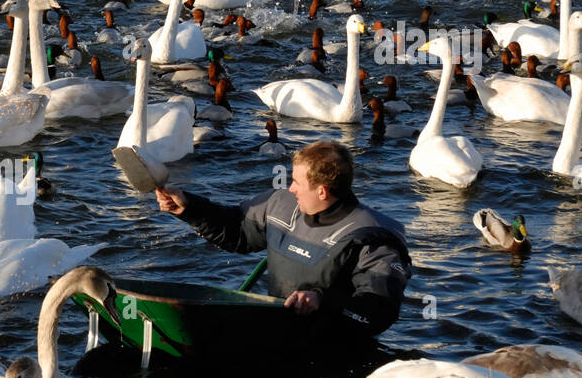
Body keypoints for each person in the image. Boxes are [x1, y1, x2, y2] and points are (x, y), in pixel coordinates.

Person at [156, 140, 410, 339]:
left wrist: (322, 300)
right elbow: (237, 231)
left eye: (297, 182)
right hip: (277, 328)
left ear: (322, 191)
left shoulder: (373, 239)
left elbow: (380, 310)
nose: (291, 188)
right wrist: (189, 208)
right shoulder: (280, 205)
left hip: (330, 344)